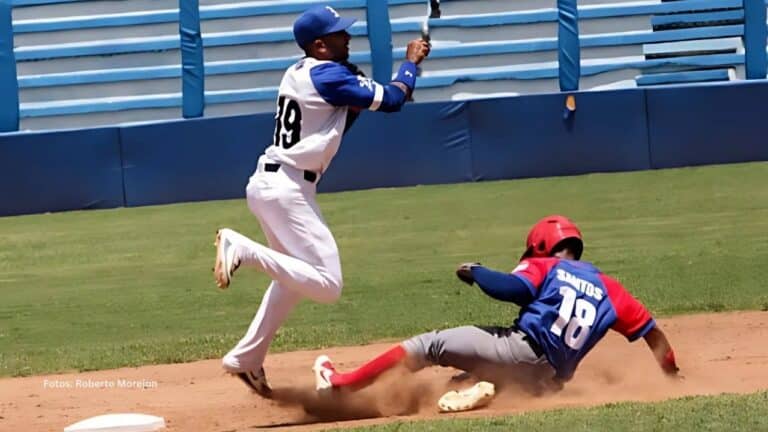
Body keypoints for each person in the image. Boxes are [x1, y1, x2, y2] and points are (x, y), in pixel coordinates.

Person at [211, 5, 430, 397]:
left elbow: (346, 112)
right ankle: (241, 248)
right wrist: (410, 64)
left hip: (273, 183)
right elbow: (393, 100)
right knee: (328, 284)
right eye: (337, 33)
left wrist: (367, 86)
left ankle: (246, 357)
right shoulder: (328, 75)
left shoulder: (303, 71)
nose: (347, 36)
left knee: (294, 280)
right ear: (319, 45)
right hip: (287, 187)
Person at [312, 215, 680, 411]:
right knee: (465, 376)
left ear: (541, 246)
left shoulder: (546, 265)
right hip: (549, 380)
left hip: (520, 351)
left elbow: (511, 288)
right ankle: (485, 387)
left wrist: (476, 271)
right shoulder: (610, 288)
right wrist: (672, 375)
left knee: (429, 345)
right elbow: (654, 335)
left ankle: (341, 384)